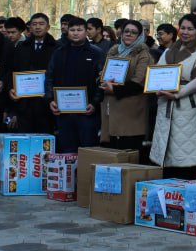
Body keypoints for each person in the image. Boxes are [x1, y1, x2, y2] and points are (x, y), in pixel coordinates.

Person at [150, 14, 196, 176]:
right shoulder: (170, 50)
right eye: (183, 28)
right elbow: (158, 71)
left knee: (189, 150)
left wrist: (178, 94)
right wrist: (156, 87)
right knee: (167, 148)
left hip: (188, 104)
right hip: (166, 102)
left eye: (190, 29)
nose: (185, 32)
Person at [46, 16, 104, 152]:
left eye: (79, 29)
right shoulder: (59, 53)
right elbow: (49, 77)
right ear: (67, 31)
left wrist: (94, 103)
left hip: (88, 112)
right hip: (63, 112)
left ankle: (85, 174)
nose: (75, 33)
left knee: (89, 151)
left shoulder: (96, 53)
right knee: (67, 151)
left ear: (86, 32)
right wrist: (50, 99)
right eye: (72, 30)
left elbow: (102, 81)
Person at [99, 20, 153, 151]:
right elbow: (102, 73)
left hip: (132, 111)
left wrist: (115, 89)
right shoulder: (114, 51)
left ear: (140, 36)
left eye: (134, 32)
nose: (129, 34)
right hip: (111, 109)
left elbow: (139, 81)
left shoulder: (143, 55)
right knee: (111, 152)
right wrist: (101, 81)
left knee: (128, 152)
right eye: (126, 31)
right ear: (121, 34)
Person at [8, 13, 57, 134]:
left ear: (48, 27)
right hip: (24, 102)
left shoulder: (57, 47)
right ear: (29, 27)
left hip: (46, 103)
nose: (38, 27)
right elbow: (13, 70)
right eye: (34, 24)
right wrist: (11, 89)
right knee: (25, 136)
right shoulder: (21, 46)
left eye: (41, 24)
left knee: (44, 138)